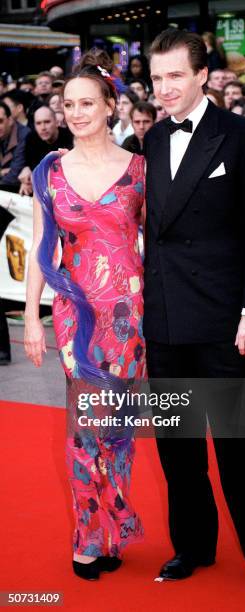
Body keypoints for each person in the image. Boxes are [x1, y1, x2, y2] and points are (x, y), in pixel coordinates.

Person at [143, 28, 245, 596]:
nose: (163, 88)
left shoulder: (241, 138)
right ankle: (192, 545)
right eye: (157, 78)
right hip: (164, 321)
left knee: (240, 449)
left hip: (226, 322)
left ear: (203, 74)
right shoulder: (153, 141)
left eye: (175, 76)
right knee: (178, 450)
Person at [24, 49, 146, 580]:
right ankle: (87, 536)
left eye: (86, 103)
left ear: (109, 106)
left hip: (129, 317)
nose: (75, 113)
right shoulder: (51, 171)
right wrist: (32, 318)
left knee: (118, 426)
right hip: (76, 315)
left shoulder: (140, 170)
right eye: (68, 104)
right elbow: (39, 250)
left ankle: (113, 528)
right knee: (83, 427)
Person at [19, 106, 73, 195]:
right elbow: (29, 166)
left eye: (47, 122)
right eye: (38, 123)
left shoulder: (70, 138)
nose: (43, 127)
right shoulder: (31, 139)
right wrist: (26, 177)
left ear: (56, 122)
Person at [0, 101, 30, 192]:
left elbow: (14, 174)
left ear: (10, 120)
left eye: (0, 121)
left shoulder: (24, 135)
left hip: (18, 191)